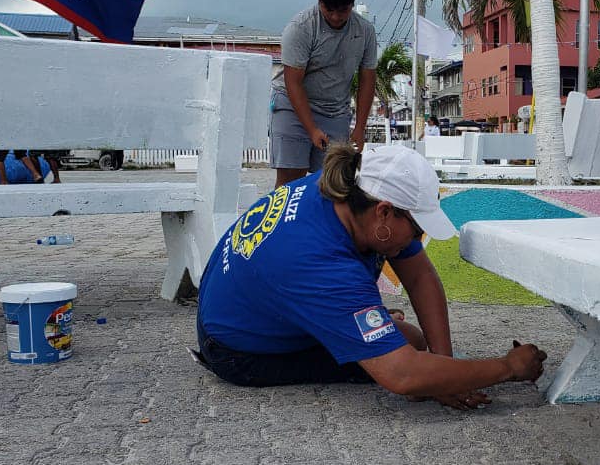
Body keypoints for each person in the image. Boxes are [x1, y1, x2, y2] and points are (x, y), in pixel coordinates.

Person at [193, 143, 547, 409]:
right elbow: (403, 375)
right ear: (384, 213)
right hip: (237, 350)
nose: (418, 239)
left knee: (418, 351)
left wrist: (445, 369)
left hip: (240, 306)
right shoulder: (324, 264)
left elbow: (420, 277)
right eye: (417, 229)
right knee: (409, 348)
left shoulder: (349, 192)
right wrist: (507, 367)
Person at [270, 0, 378, 188]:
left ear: (352, 4)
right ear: (319, 0)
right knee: (291, 182)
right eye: (329, 9)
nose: (336, 17)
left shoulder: (365, 32)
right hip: (292, 106)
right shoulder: (300, 28)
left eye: (343, 10)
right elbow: (293, 82)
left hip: (335, 111)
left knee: (334, 182)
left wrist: (360, 128)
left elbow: (367, 80)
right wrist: (311, 129)